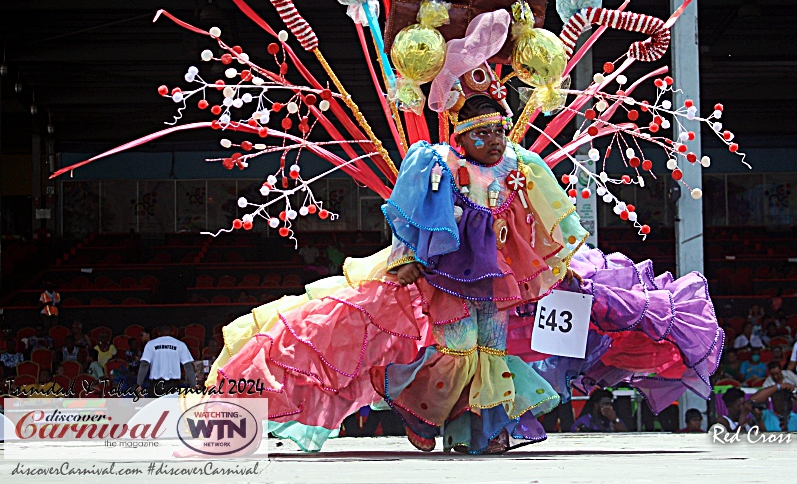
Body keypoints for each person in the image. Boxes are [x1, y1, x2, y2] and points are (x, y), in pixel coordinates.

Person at [209, 90, 721, 455]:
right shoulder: (435, 163)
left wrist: (556, 268)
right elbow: (412, 220)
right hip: (443, 281)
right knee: (453, 353)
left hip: (497, 285)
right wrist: (407, 259)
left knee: (492, 355)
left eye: (501, 129)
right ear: (463, 134)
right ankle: (430, 414)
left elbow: (542, 222)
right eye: (485, 133)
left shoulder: (519, 165)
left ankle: (486, 433)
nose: (497, 140)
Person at [138, 324, 196, 394]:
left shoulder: (151, 344)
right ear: (172, 332)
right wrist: (193, 385)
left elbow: (144, 364)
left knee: (155, 405)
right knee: (171, 405)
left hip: (155, 385)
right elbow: (188, 366)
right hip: (173, 385)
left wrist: (139, 384)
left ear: (158, 333)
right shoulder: (180, 344)